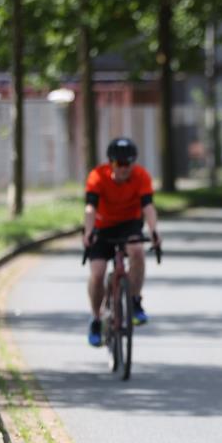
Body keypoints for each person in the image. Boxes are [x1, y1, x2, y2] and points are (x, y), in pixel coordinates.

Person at [83, 137, 162, 346]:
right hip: (102, 226)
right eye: (119, 164)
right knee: (98, 273)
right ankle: (96, 318)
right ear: (111, 163)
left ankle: (134, 300)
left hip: (129, 224)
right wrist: (88, 231)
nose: (124, 169)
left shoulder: (141, 176)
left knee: (137, 250)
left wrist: (154, 231)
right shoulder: (97, 176)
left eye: (128, 163)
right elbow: (90, 208)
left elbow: (148, 207)